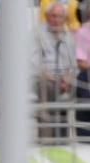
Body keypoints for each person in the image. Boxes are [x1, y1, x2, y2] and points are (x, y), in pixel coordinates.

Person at [35, 2, 77, 139]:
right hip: (45, 77)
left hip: (64, 78)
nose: (56, 20)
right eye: (53, 16)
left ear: (65, 18)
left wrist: (68, 77)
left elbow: (73, 63)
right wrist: (50, 77)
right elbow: (32, 63)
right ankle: (49, 139)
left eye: (60, 17)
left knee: (80, 84)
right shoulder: (37, 34)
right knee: (49, 88)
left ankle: (63, 139)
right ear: (46, 17)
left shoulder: (68, 36)